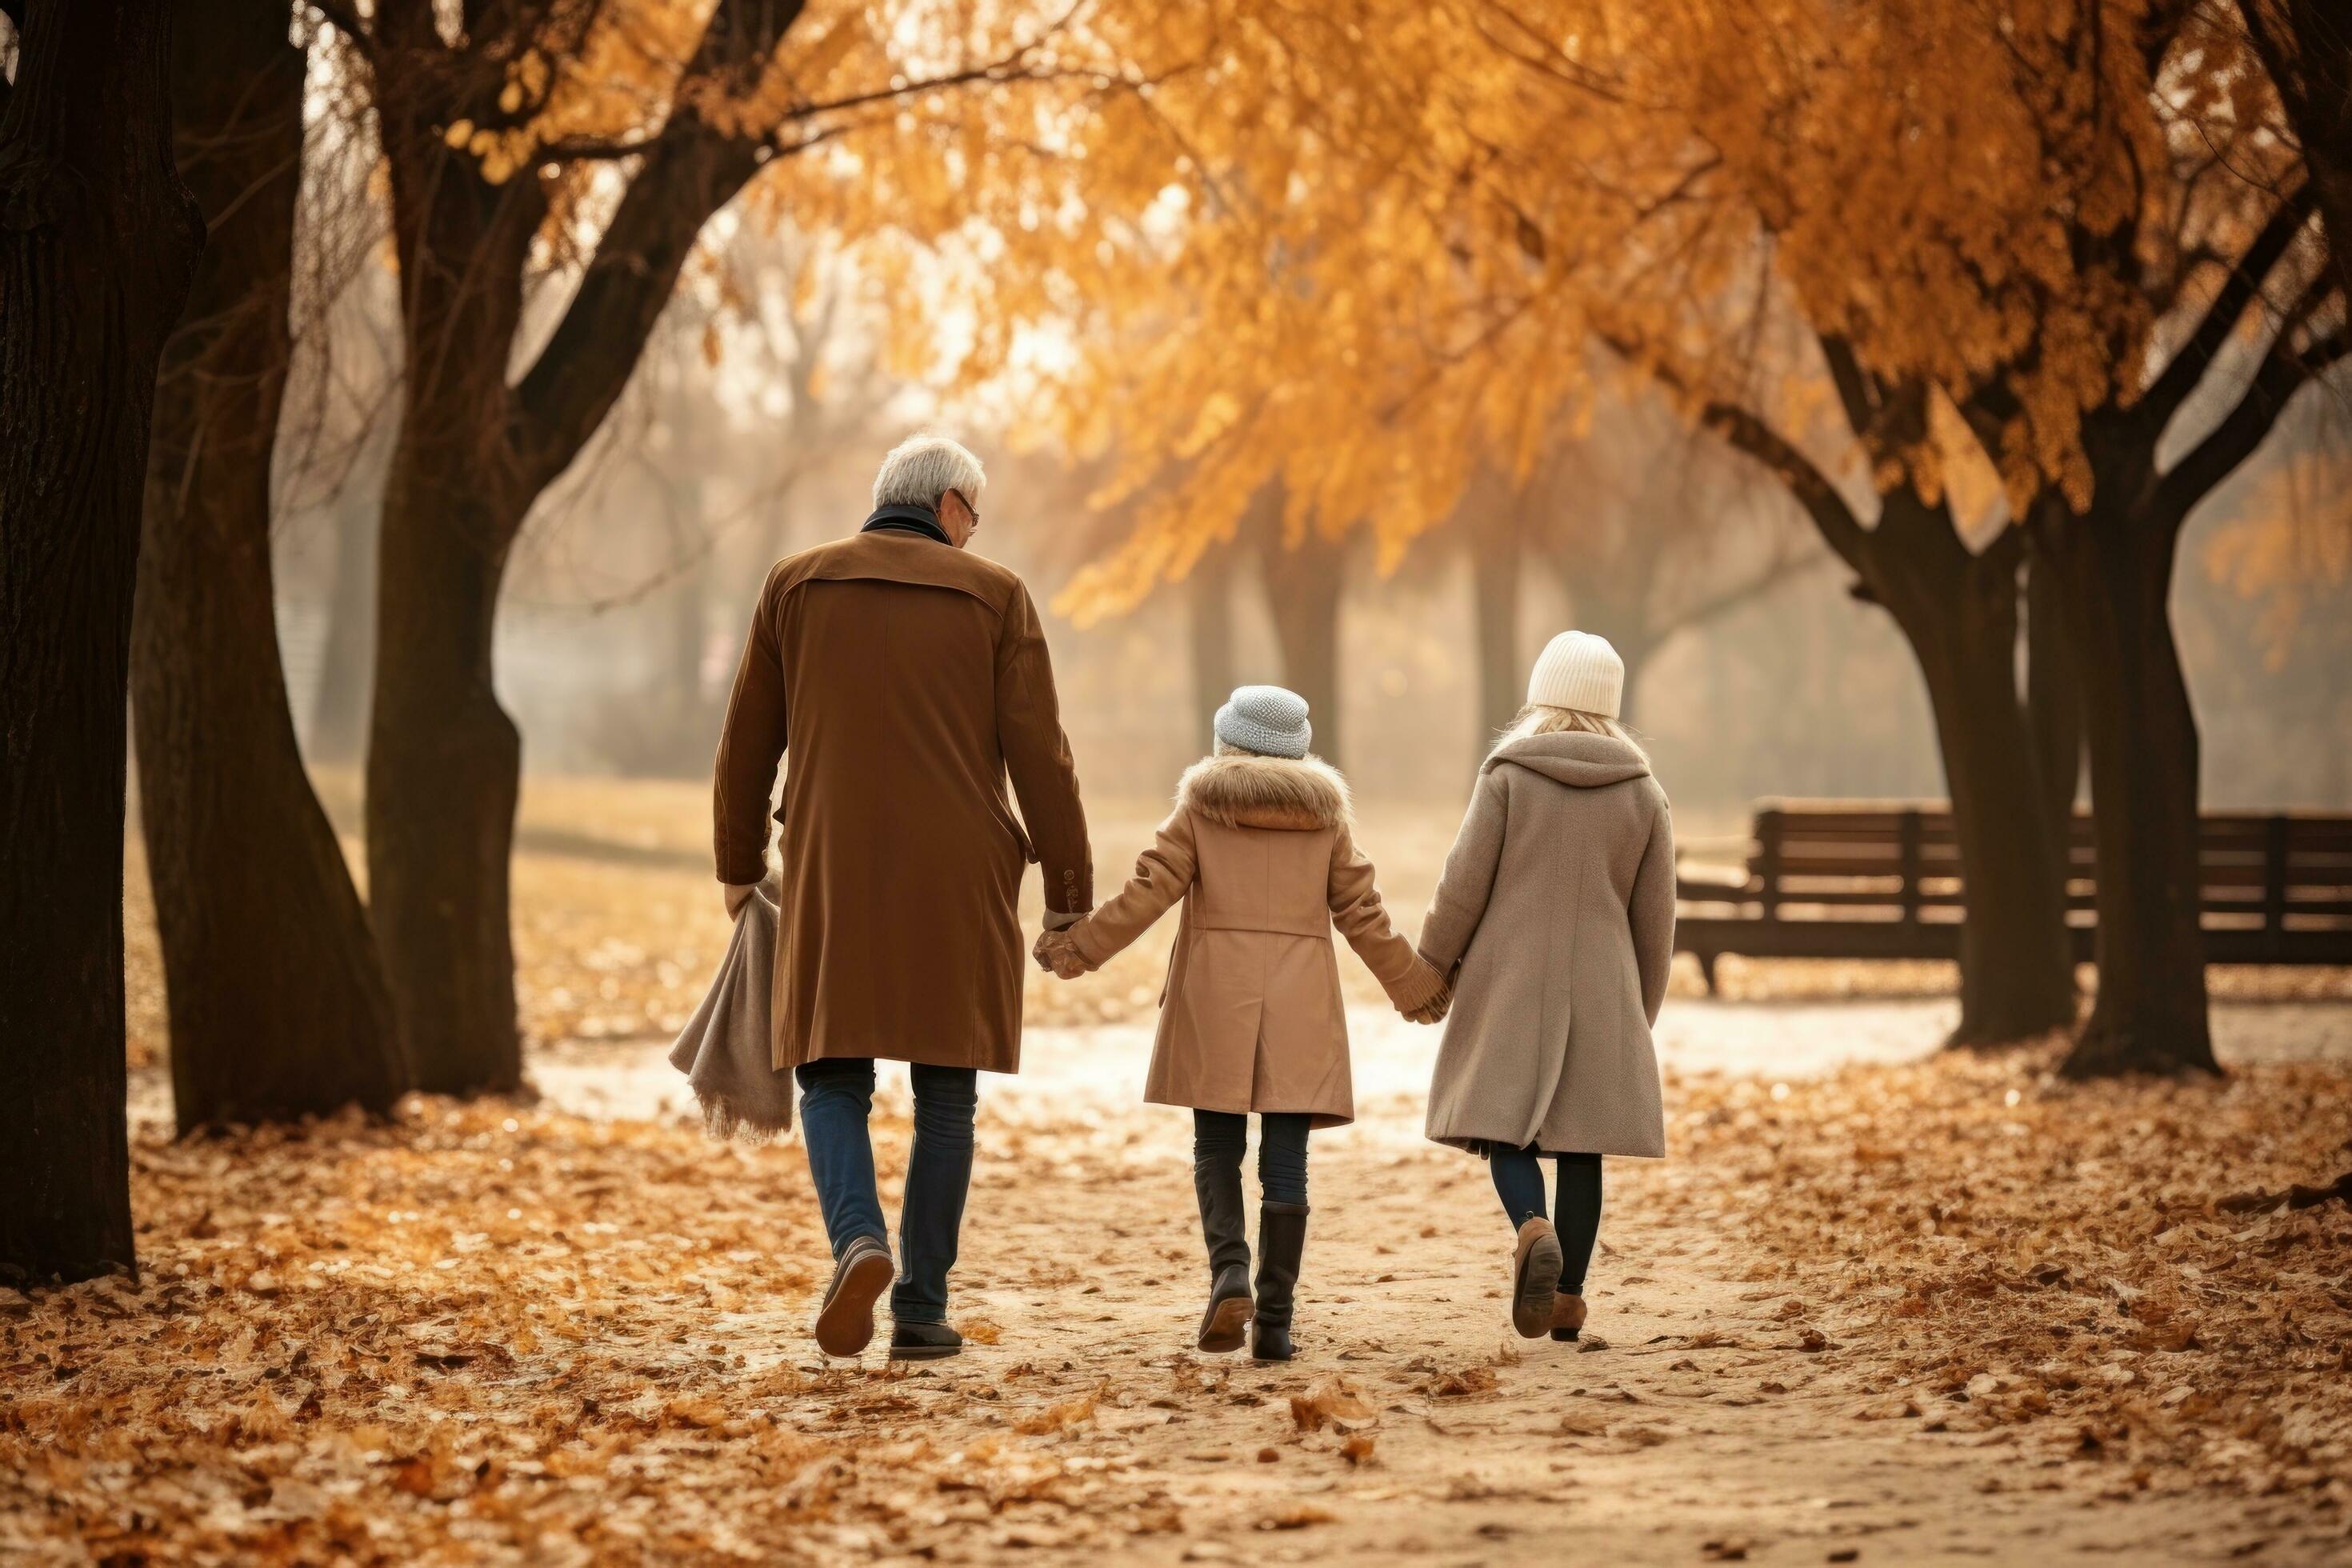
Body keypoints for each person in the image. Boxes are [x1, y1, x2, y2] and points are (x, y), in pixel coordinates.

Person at [712, 434, 1090, 1362]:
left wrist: (738, 862)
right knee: (946, 1091)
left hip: (833, 865)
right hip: (958, 877)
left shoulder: (794, 586)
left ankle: (858, 1240)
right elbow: (1042, 755)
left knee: (830, 1075)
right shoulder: (996, 595)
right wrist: (1069, 894)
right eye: (977, 515)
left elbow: (746, 743)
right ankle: (922, 1309)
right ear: (953, 505)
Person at [1035, 686, 1449, 1361]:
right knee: (1287, 1164)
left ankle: (1229, 1275)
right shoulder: (1326, 822)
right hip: (1300, 1005)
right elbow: (1362, 912)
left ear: (1227, 740)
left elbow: (1149, 891)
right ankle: (1277, 1322)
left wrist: (1078, 948)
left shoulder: (1200, 810)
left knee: (1217, 1147)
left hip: (1214, 997)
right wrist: (1416, 987)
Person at [1416, 631, 1674, 1343]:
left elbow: (1461, 886)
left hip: (1510, 977)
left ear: (1540, 694)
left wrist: (1432, 964)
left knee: (1505, 1124)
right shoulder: (1644, 795)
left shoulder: (1506, 778)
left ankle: (1532, 1227)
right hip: (1603, 980)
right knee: (1583, 1144)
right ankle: (1567, 1299)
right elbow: (1656, 921)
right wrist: (1637, 1011)